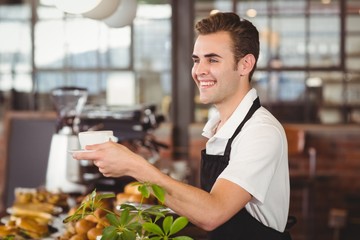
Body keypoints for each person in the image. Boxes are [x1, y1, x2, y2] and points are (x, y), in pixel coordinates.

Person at [73, 12, 291, 240]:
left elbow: (212, 213)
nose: (199, 71)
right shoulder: (220, 126)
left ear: (245, 64)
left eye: (213, 59)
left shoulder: (260, 132)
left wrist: (133, 165)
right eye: (197, 60)